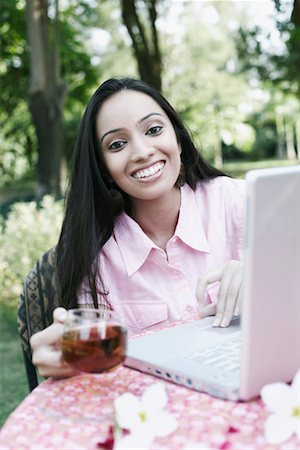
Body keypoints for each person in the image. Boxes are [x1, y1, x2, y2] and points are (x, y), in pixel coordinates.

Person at [30, 77, 245, 379]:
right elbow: (97, 369)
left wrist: (270, 278)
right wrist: (70, 363)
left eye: (154, 130)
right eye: (117, 144)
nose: (142, 151)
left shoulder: (236, 202)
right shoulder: (96, 260)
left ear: (178, 140)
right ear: (103, 168)